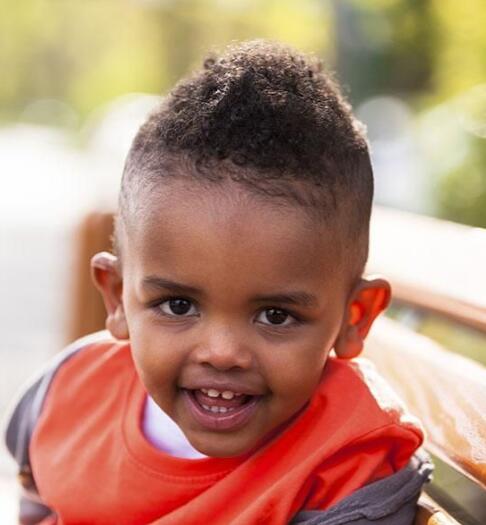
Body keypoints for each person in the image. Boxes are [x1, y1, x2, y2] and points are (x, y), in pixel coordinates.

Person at [5, 40, 432, 525]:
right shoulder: (68, 395)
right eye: (178, 305)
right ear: (117, 296)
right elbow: (39, 499)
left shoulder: (345, 460)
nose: (222, 352)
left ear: (354, 318)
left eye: (276, 315)